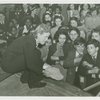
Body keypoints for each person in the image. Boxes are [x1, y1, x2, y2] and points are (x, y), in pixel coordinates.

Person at [0, 24, 50, 88]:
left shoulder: (31, 38)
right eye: (45, 36)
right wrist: (43, 72)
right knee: (34, 57)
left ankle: (25, 78)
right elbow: (30, 64)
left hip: (9, 61)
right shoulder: (30, 42)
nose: (46, 39)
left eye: (48, 37)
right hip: (7, 66)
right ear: (38, 34)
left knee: (36, 53)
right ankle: (33, 83)